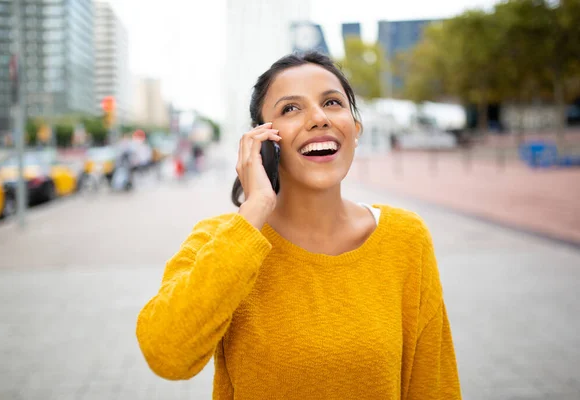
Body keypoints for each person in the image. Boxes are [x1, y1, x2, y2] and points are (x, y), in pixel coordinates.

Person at [136, 51, 461, 400]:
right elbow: (167, 355)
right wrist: (255, 209)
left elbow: (433, 384)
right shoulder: (221, 240)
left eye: (333, 102)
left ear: (355, 130)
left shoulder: (405, 237)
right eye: (291, 109)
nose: (319, 118)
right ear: (261, 143)